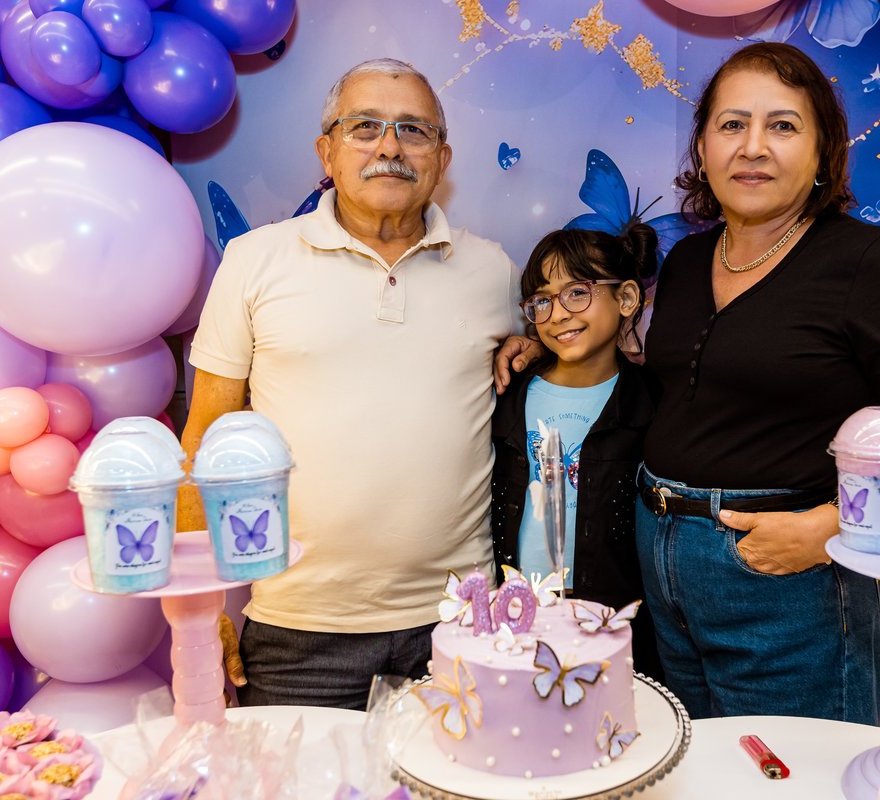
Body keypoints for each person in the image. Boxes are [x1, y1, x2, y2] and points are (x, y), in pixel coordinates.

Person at [633, 42, 880, 723]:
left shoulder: (868, 264)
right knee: (694, 775)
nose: (753, 147)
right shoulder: (686, 260)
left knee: (790, 780)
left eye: (783, 126)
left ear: (823, 152)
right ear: (702, 148)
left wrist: (829, 530)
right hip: (664, 564)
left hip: (785, 580)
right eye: (732, 125)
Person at [179, 58, 521, 710]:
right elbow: (204, 439)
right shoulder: (255, 261)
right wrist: (202, 611)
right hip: (295, 628)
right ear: (327, 151)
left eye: (413, 131)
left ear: (441, 158)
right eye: (365, 126)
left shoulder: (494, 271)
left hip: (462, 624)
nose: (389, 146)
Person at [489, 224, 662, 678]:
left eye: (577, 293)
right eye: (542, 300)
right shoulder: (509, 393)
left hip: (610, 620)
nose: (559, 313)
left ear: (626, 299)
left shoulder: (650, 403)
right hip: (517, 612)